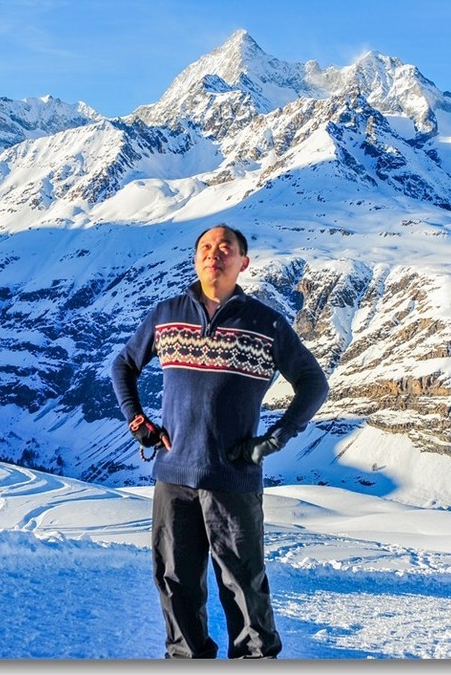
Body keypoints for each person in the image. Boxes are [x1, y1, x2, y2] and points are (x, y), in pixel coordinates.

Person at [110, 224, 329, 659]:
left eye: (225, 247)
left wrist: (273, 440)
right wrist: (139, 423)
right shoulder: (166, 314)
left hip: (234, 479)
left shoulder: (265, 323)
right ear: (195, 260)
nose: (214, 253)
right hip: (173, 478)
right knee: (176, 584)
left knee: (244, 588)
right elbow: (123, 367)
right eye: (206, 247)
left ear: (243, 263)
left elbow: (313, 383)